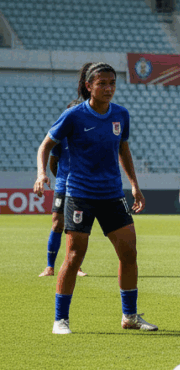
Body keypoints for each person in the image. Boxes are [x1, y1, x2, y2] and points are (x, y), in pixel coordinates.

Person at [33, 62, 156, 334]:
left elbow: (123, 150)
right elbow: (46, 145)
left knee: (129, 252)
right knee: (75, 256)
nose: (108, 88)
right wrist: (42, 174)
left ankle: (130, 316)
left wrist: (134, 184)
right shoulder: (74, 115)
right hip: (80, 195)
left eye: (112, 83)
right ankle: (60, 320)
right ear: (89, 86)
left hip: (112, 194)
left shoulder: (121, 115)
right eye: (102, 83)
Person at [36, 137, 87, 278]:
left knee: (78, 227)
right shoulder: (61, 137)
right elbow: (53, 163)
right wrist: (61, 178)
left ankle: (77, 267)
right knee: (57, 223)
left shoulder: (87, 134)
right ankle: (49, 267)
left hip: (81, 186)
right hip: (63, 186)